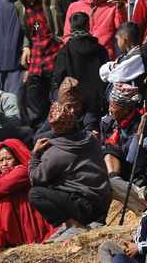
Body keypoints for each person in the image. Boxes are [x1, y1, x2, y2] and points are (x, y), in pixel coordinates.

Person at [28, 101, 111, 237]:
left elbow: (35, 178)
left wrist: (35, 155)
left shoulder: (58, 153)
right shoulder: (91, 138)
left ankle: (74, 224)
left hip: (85, 207)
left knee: (35, 194)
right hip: (102, 202)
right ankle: (70, 223)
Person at [0, 140, 53, 259]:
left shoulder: (23, 170)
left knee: (3, 199)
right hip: (14, 225)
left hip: (28, 222)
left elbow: (0, 187)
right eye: (0, 160)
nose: (4, 164)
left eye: (8, 159)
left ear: (17, 158)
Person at [5, 0, 65, 128]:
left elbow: (67, 21)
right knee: (35, 101)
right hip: (38, 59)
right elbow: (31, 30)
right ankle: (40, 133)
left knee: (58, 98)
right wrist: (26, 46)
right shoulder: (19, 7)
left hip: (56, 53)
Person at [52, 12, 110, 126]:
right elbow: (107, 75)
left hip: (73, 107)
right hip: (96, 106)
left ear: (71, 27)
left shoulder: (65, 51)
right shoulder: (100, 50)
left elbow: (59, 77)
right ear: (88, 25)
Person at [99, 23, 146, 97]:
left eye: (118, 39)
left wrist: (112, 68)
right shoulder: (124, 56)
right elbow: (102, 71)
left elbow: (118, 76)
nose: (117, 42)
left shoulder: (138, 56)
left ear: (125, 39)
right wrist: (112, 67)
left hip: (131, 105)